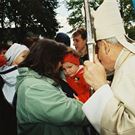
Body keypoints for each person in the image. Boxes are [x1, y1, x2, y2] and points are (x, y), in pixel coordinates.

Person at [82, 0, 135, 135]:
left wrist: (100, 86)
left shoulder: (129, 68)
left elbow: (127, 129)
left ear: (105, 46)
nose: (97, 55)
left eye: (98, 48)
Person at [16, 38, 89, 135]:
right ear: (49, 61)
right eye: (58, 60)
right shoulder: (33, 87)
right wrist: (90, 107)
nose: (60, 65)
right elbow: (71, 112)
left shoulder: (40, 80)